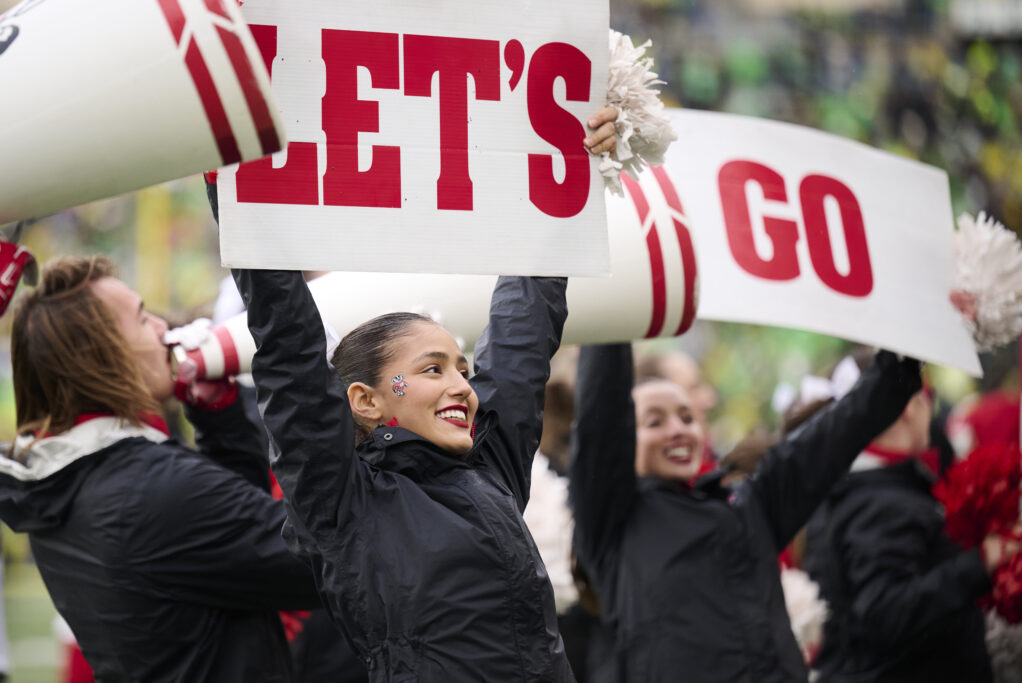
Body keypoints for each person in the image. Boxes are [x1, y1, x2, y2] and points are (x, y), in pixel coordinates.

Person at [221, 108, 619, 682]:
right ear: (365, 400)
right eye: (432, 370)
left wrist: (566, 163)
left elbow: (524, 330)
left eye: (461, 367)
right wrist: (240, 190)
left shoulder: (492, 470)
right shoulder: (341, 501)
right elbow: (289, 346)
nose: (462, 384)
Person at [0, 256, 322, 682]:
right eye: (141, 317)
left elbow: (232, 557)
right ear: (101, 356)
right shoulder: (152, 487)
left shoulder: (69, 475)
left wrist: (221, 422)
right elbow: (325, 565)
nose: (161, 328)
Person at [569, 343, 924, 682]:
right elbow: (602, 407)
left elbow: (836, 434)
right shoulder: (615, 522)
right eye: (654, 422)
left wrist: (901, 362)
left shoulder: (749, 504)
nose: (677, 430)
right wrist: (614, 318)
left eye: (686, 417)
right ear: (624, 440)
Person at [804, 369, 1022, 682]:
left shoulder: (867, 488)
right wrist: (981, 561)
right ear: (909, 406)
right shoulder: (879, 503)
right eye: (926, 399)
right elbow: (887, 612)